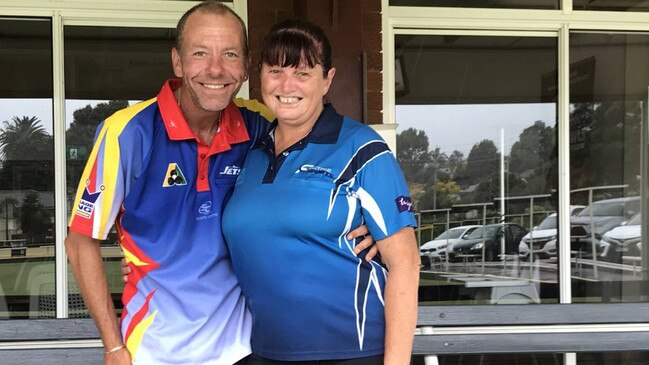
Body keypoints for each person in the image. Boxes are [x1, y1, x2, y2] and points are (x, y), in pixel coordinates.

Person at [65, 2, 374, 364]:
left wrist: (373, 219)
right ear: (178, 61)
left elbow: (334, 154)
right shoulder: (128, 132)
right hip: (152, 351)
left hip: (243, 350)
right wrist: (113, 346)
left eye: (229, 54)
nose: (215, 69)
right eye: (200, 53)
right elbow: (80, 242)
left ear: (244, 67)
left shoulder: (260, 124)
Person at [221, 19, 421, 365]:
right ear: (259, 77)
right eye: (276, 70)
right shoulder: (251, 154)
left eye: (303, 73)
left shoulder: (363, 149)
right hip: (263, 351)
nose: (287, 85)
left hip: (351, 352)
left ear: (327, 79)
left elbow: (406, 264)